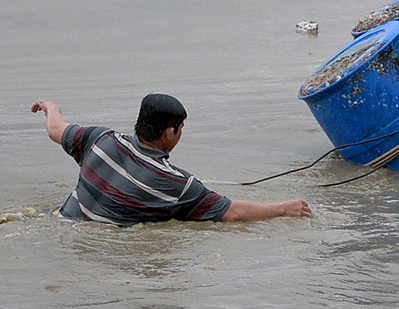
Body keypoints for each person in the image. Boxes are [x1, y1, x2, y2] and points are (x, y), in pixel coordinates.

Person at [32, 94, 312, 226]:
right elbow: (232, 213)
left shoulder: (100, 139)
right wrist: (282, 208)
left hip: (58, 223)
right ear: (169, 133)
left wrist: (51, 106)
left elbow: (56, 128)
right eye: (181, 129)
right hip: (100, 249)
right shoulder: (176, 184)